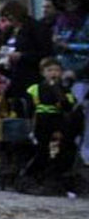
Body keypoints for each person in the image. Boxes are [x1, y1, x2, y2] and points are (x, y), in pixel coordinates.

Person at [25, 57, 77, 185]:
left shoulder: (65, 90)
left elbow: (68, 107)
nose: (53, 73)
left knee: (62, 148)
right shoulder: (35, 88)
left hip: (57, 120)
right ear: (43, 72)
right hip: (41, 120)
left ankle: (55, 175)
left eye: (57, 70)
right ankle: (31, 174)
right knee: (41, 149)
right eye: (49, 70)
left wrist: (57, 91)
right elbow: (30, 108)